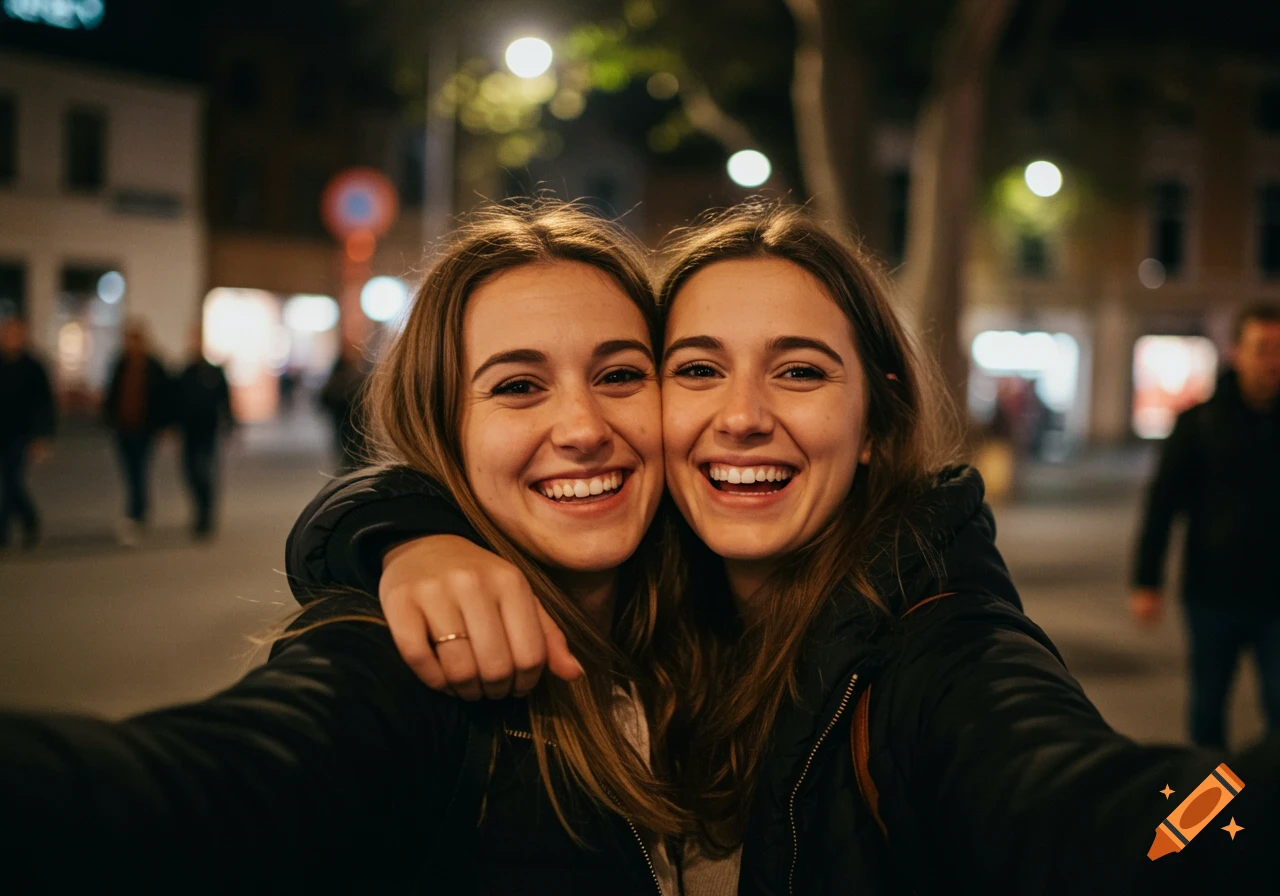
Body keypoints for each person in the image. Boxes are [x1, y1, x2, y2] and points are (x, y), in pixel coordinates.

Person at [286, 202, 1280, 893]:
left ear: (876, 414)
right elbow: (239, 777)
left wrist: (1229, 819)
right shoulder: (638, 622)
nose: (742, 415)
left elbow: (1109, 822)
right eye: (696, 367)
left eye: (799, 371)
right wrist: (393, 531)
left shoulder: (936, 647)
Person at [0, 203, 692, 893]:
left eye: (621, 375)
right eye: (517, 386)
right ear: (442, 427)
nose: (582, 427)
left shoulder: (721, 620)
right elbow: (201, 788)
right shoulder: (406, 658)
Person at [1133, 303, 1280, 748]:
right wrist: (1146, 580)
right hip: (1212, 594)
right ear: (1237, 352)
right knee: (1208, 709)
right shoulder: (1201, 423)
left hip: (1277, 598)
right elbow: (1162, 505)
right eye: (1263, 348)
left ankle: (1268, 809)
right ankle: (1214, 815)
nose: (1273, 360)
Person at [103, 321, 173, 546]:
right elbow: (112, 393)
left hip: (145, 429)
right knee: (130, 471)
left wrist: (164, 426)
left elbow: (164, 398)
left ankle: (135, 514)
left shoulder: (153, 365)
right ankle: (139, 510)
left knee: (139, 471)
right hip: (124, 428)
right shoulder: (120, 364)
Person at [0, 316, 55, 550]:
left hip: (23, 434)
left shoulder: (33, 366)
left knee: (12, 480)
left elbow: (44, 404)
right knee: (9, 482)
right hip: (2, 433)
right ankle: (30, 519)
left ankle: (3, 530)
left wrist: (42, 437)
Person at [175, 327, 235, 537]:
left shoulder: (214, 372)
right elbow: (176, 403)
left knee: (206, 472)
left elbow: (225, 400)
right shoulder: (186, 372)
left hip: (208, 432)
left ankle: (206, 516)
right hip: (189, 432)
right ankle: (199, 510)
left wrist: (230, 425)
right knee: (190, 473)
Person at [319, 342, 370, 472]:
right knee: (347, 448)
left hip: (353, 421)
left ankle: (350, 468)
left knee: (351, 449)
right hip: (344, 418)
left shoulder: (363, 370)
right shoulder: (343, 370)